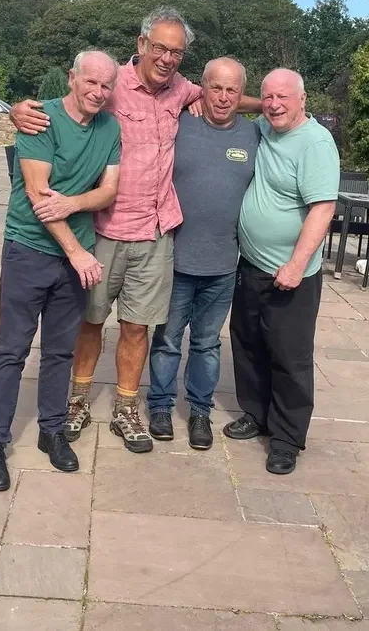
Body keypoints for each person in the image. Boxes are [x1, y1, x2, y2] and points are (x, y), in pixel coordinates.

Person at [9, 7, 261, 454]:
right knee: (90, 321)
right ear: (142, 44)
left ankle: (126, 409)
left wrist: (277, 107)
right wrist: (17, 109)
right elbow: (68, 106)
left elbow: (223, 97)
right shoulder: (110, 86)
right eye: (160, 47)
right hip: (103, 228)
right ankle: (78, 400)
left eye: (177, 52)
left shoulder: (182, 90)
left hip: (155, 232)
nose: (167, 58)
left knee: (137, 327)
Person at [0, 51, 121, 492]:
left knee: (61, 352)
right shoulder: (39, 119)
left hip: (73, 257)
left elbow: (110, 190)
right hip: (29, 250)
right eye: (91, 82)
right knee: (12, 351)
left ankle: (52, 431)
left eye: (106, 85)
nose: (98, 92)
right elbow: (40, 197)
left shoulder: (110, 128)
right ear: (73, 78)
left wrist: (76, 203)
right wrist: (78, 252)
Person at [223, 69, 339, 476]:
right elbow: (229, 101)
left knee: (289, 357)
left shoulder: (316, 142)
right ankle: (257, 415)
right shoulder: (266, 129)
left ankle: (286, 438)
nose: (274, 104)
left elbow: (323, 208)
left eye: (283, 98)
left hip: (293, 274)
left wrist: (294, 264)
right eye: (268, 97)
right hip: (251, 266)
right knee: (249, 343)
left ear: (303, 100)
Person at [147, 58, 259, 449]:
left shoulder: (254, 135)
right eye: (216, 88)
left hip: (223, 264)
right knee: (166, 339)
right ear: (202, 88)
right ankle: (160, 406)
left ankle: (199, 412)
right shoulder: (180, 122)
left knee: (208, 344)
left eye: (232, 90)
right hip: (175, 258)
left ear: (241, 93)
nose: (224, 97)